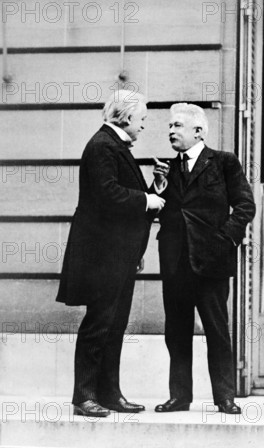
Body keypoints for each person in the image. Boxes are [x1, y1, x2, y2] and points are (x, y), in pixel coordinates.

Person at [56, 90, 165, 417]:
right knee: (99, 323)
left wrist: (155, 189)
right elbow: (108, 195)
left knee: (114, 324)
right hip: (103, 255)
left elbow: (119, 198)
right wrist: (148, 201)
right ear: (128, 117)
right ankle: (84, 397)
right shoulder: (103, 146)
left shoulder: (111, 146)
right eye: (142, 119)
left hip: (116, 253)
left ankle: (108, 394)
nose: (144, 126)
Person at [152, 103, 255, 414]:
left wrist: (224, 240)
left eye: (177, 126)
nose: (170, 130)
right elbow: (157, 209)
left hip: (211, 263)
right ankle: (180, 396)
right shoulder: (166, 169)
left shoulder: (223, 162)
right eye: (170, 125)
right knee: (176, 332)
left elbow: (245, 205)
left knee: (217, 330)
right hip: (175, 263)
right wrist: (157, 187)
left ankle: (225, 397)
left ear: (198, 131)